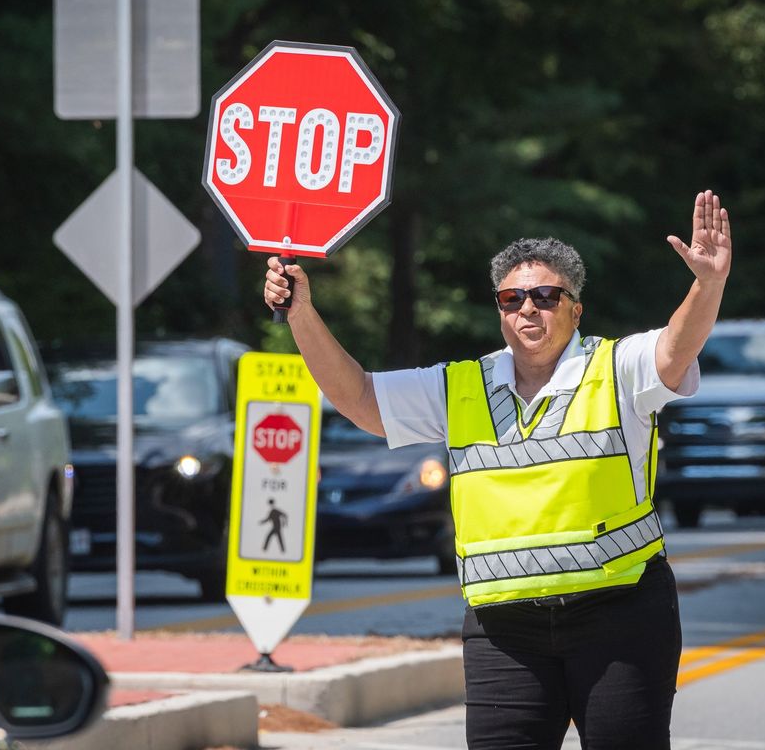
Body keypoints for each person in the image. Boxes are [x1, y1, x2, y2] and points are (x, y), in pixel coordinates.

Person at [263, 190, 732, 750]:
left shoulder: (618, 367)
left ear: (575, 308)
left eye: (544, 296)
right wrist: (301, 313)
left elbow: (675, 348)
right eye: (512, 298)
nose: (527, 309)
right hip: (504, 631)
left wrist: (707, 284)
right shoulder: (461, 385)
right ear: (500, 310)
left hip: (620, 618)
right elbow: (361, 398)